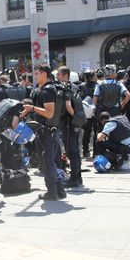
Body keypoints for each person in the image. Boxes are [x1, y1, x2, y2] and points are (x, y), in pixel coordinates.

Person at [20, 64, 66, 201]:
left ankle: (52, 192)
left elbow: (49, 113)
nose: (35, 77)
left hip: (46, 132)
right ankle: (60, 191)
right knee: (51, 162)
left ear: (44, 74)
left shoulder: (47, 91)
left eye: (37, 74)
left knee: (47, 163)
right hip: (51, 131)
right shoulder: (51, 88)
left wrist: (32, 108)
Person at [56, 66, 83, 188]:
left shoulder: (66, 88)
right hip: (74, 124)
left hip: (68, 123)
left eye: (59, 74)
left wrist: (74, 117)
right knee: (76, 151)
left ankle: (73, 179)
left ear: (65, 76)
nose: (57, 76)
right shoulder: (75, 86)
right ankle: (78, 177)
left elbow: (67, 105)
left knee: (71, 152)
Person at [80, 71, 97, 157]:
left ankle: (85, 150)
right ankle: (95, 151)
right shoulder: (97, 86)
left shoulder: (81, 86)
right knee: (96, 131)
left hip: (85, 110)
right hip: (95, 110)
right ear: (93, 77)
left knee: (87, 131)